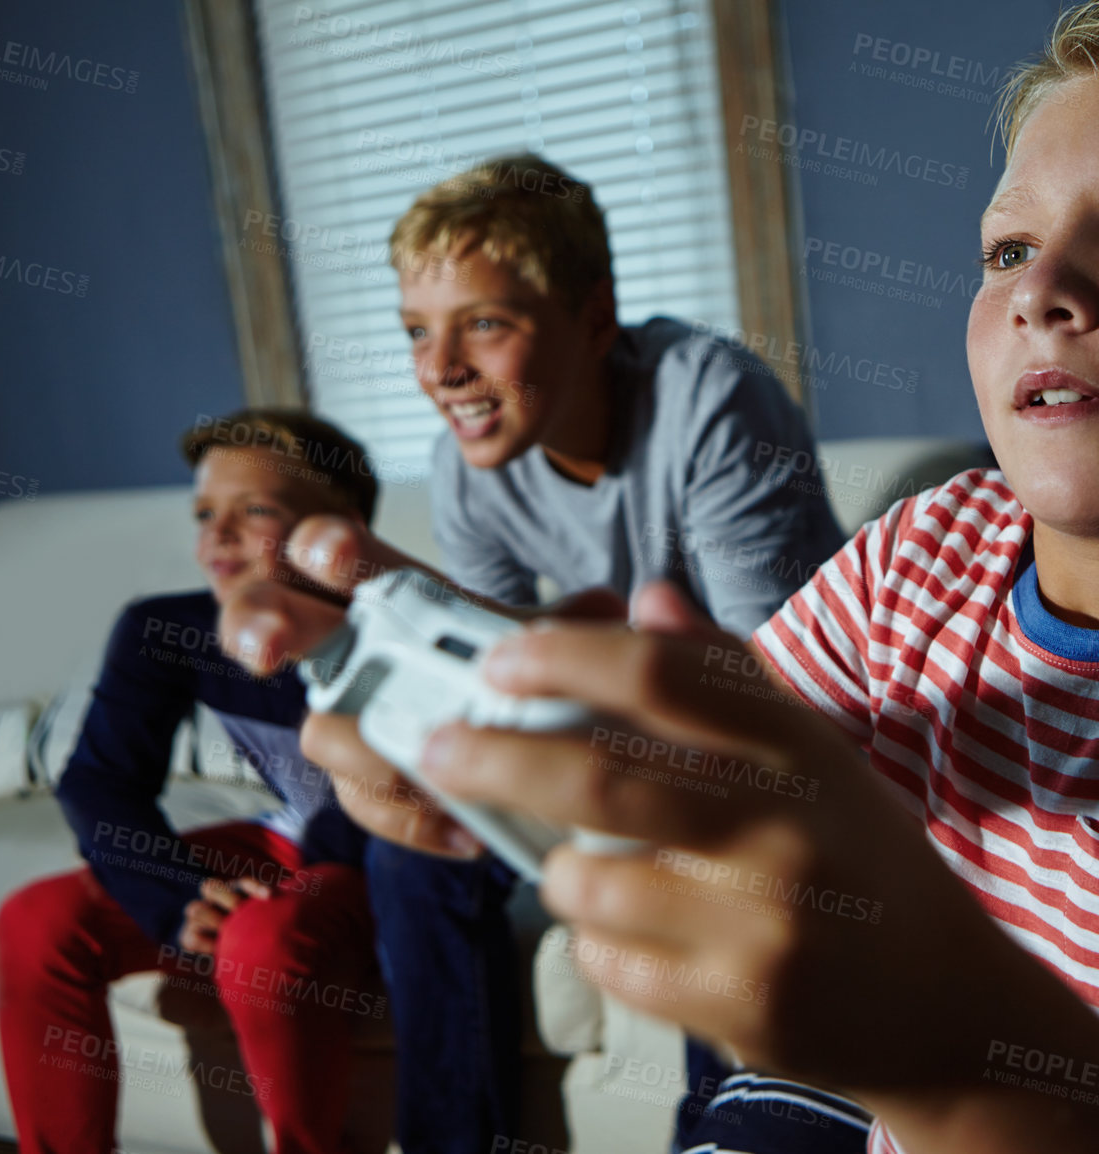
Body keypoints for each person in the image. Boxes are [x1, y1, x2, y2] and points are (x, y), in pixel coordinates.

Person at [224, 2, 1099, 1150]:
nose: (1043, 288)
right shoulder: (927, 557)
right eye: (1008, 247)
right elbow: (714, 785)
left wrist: (952, 1060)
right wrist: (484, 723)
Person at [363, 154, 850, 1154]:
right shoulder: (467, 461)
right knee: (408, 851)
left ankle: (715, 1128)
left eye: (484, 323)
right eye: (418, 330)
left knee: (708, 826)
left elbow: (767, 686)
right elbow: (490, 678)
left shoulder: (712, 395)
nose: (440, 366)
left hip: (774, 741)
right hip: (618, 718)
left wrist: (570, 682)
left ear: (592, 318)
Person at [0, 411, 385, 1154]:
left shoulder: (382, 634)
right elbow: (99, 780)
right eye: (206, 514)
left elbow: (366, 815)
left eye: (255, 512)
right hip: (286, 838)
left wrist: (258, 907)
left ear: (340, 529)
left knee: (260, 940)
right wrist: (176, 895)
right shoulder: (167, 630)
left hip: (382, 854)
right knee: (34, 919)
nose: (217, 538)